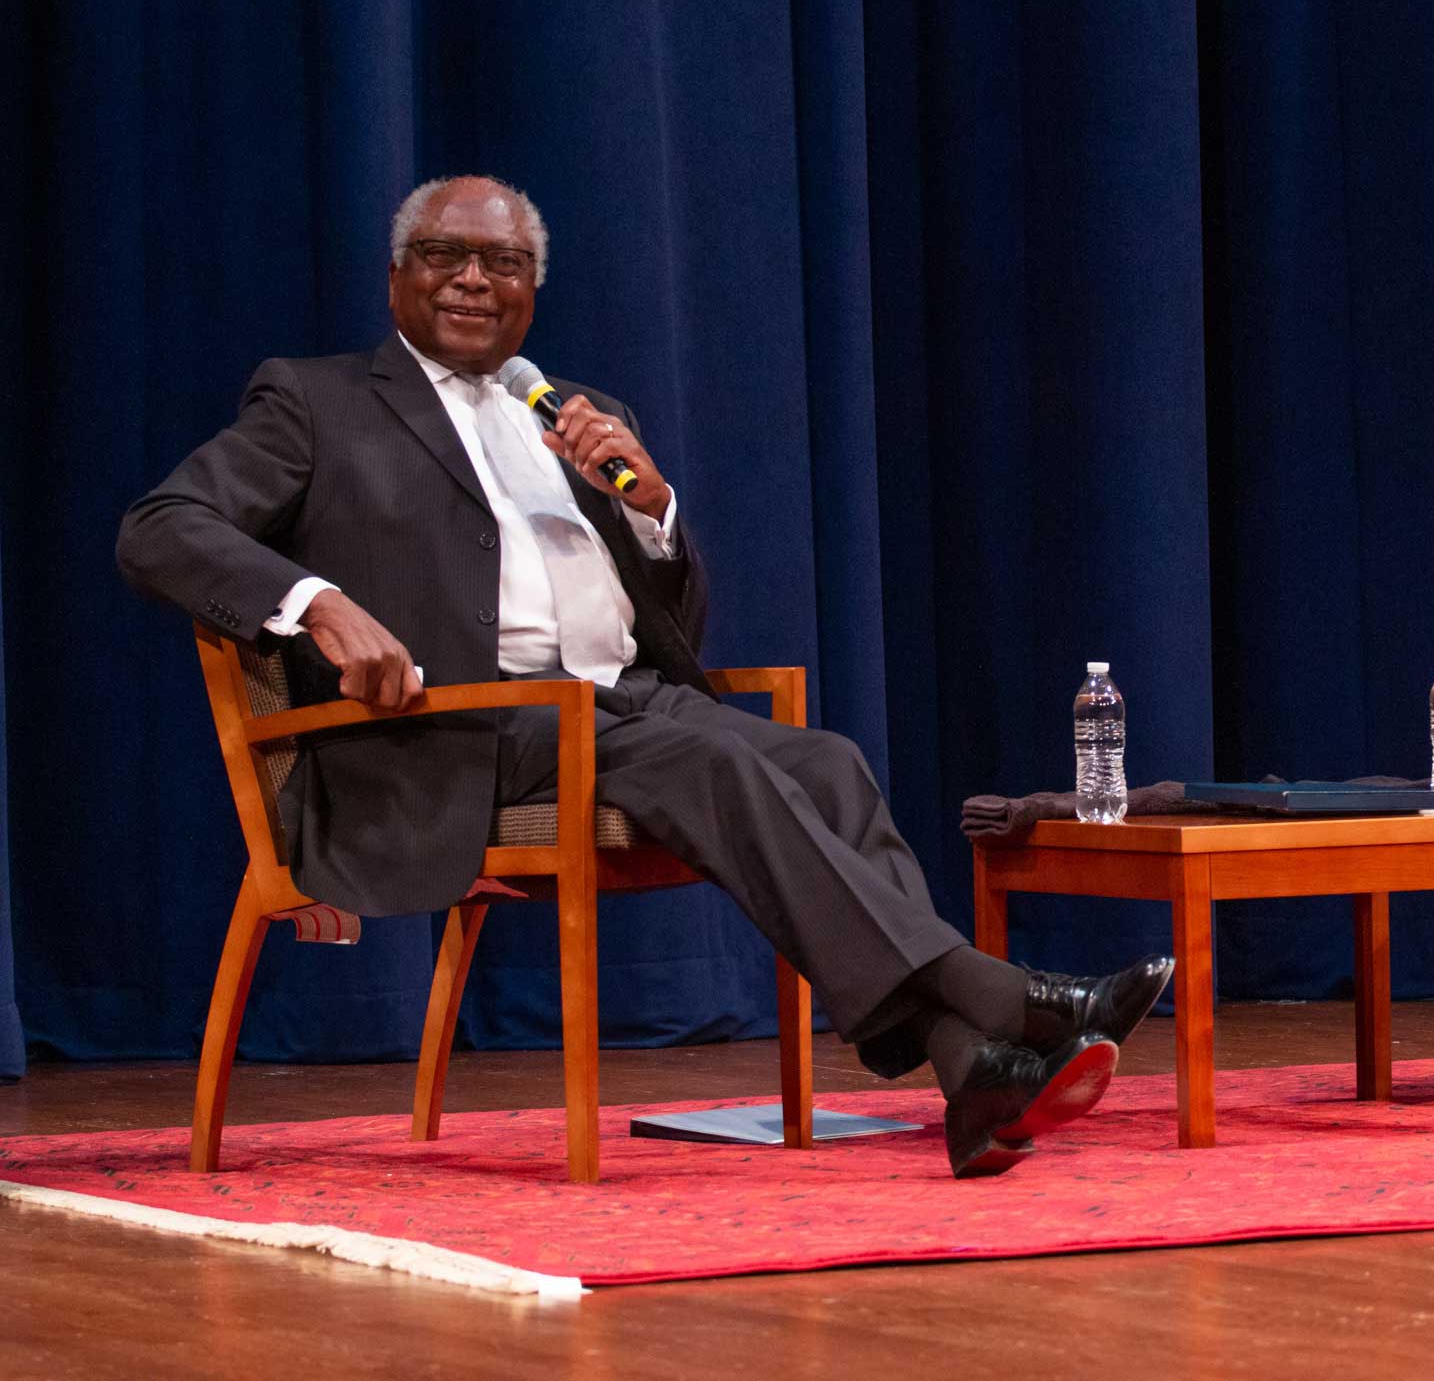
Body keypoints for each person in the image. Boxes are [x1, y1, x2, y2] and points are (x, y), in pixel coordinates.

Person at [118, 175, 1174, 1177]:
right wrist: (322, 605)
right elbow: (161, 528)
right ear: (398, 277)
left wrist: (648, 507)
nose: (474, 279)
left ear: (534, 290)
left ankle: (972, 1068)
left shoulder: (571, 411)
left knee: (828, 763)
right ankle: (1007, 995)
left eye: (503, 261)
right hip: (455, 729)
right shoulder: (317, 401)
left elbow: (671, 633)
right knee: (707, 757)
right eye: (444, 254)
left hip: (620, 705)